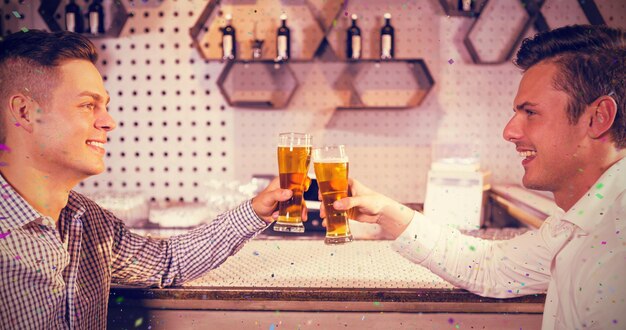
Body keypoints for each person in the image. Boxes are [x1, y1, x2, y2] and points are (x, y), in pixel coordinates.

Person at [322, 24, 625, 329]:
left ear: (598, 118)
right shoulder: (579, 221)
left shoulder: (616, 247)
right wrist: (385, 212)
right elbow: (489, 267)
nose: (510, 131)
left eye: (530, 113)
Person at [0, 30, 305, 329]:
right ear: (25, 113)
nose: (109, 122)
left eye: (104, 106)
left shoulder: (86, 220)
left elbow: (167, 261)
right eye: (88, 105)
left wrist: (255, 211)